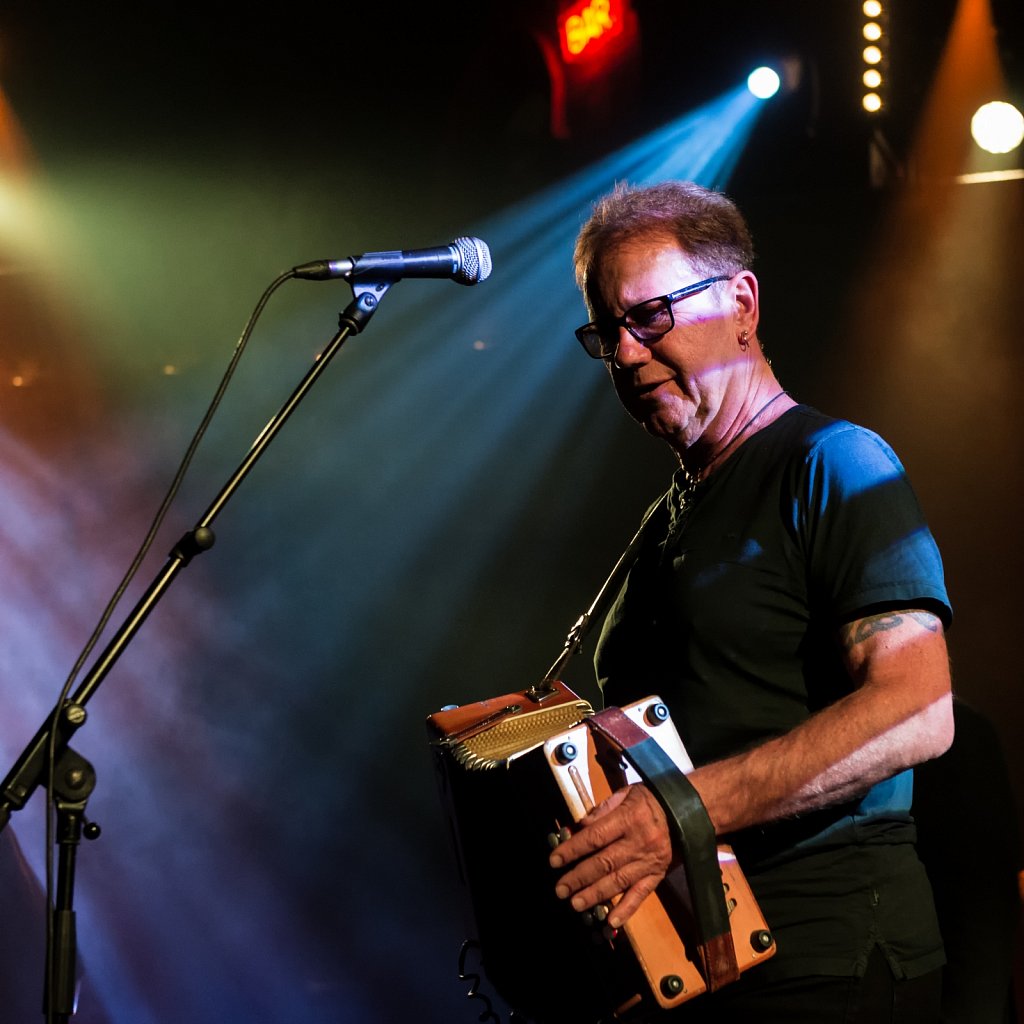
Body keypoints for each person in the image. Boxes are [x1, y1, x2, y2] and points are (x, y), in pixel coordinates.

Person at [547, 180, 955, 1022]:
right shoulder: (667, 516)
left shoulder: (836, 462)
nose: (626, 354)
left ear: (740, 302)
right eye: (608, 332)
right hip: (705, 969)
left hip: (827, 965)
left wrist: (676, 816)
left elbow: (920, 708)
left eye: (650, 316)